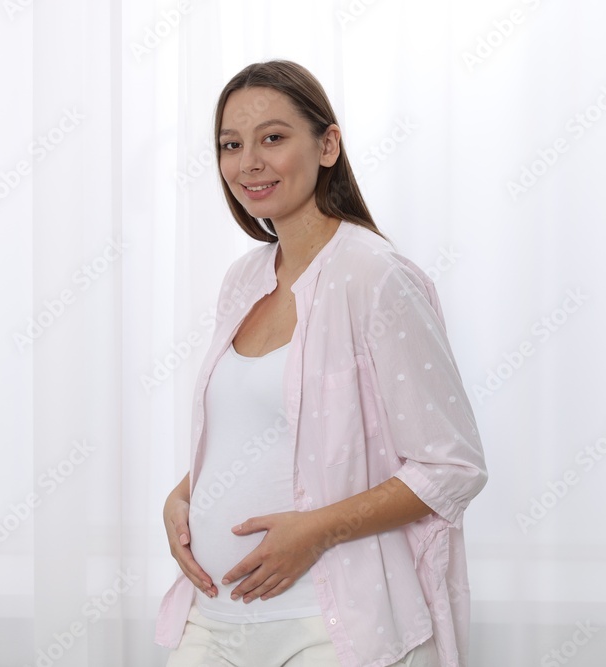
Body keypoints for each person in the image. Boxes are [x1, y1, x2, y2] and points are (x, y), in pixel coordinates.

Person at [155, 60, 488, 667]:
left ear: (327, 145)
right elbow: (257, 433)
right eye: (231, 145)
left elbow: (453, 466)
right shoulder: (243, 280)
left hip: (330, 625)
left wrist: (314, 531)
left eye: (272, 138)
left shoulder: (375, 276)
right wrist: (183, 498)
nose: (249, 162)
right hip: (214, 616)